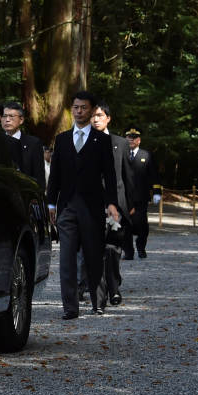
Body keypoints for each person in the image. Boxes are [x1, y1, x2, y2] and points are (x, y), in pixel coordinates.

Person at [46, 91, 120, 319]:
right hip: (67, 206)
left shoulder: (102, 140)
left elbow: (109, 174)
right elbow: (55, 174)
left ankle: (98, 302)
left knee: (94, 254)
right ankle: (70, 307)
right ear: (72, 110)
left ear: (91, 110)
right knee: (66, 258)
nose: (79, 111)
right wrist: (50, 204)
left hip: (92, 207)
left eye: (83, 108)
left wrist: (112, 204)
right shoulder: (62, 139)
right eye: (75, 107)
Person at [90, 103, 135, 308]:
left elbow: (128, 176)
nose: (95, 119)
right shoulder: (83, 141)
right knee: (96, 250)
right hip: (91, 204)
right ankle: (99, 296)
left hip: (116, 206)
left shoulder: (120, 143)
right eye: (92, 116)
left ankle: (114, 286)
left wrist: (130, 205)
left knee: (113, 250)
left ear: (108, 118)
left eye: (99, 115)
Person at [123, 128, 159, 258]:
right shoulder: (121, 154)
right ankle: (128, 251)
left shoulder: (146, 155)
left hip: (141, 197)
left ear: (139, 140)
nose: (131, 139)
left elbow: (154, 175)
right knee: (125, 225)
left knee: (142, 224)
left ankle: (140, 246)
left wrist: (156, 192)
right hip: (125, 197)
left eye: (133, 137)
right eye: (128, 137)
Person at [0, 101, 46, 188]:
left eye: (11, 116)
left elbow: (39, 176)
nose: (7, 120)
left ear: (21, 120)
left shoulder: (33, 143)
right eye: (4, 116)